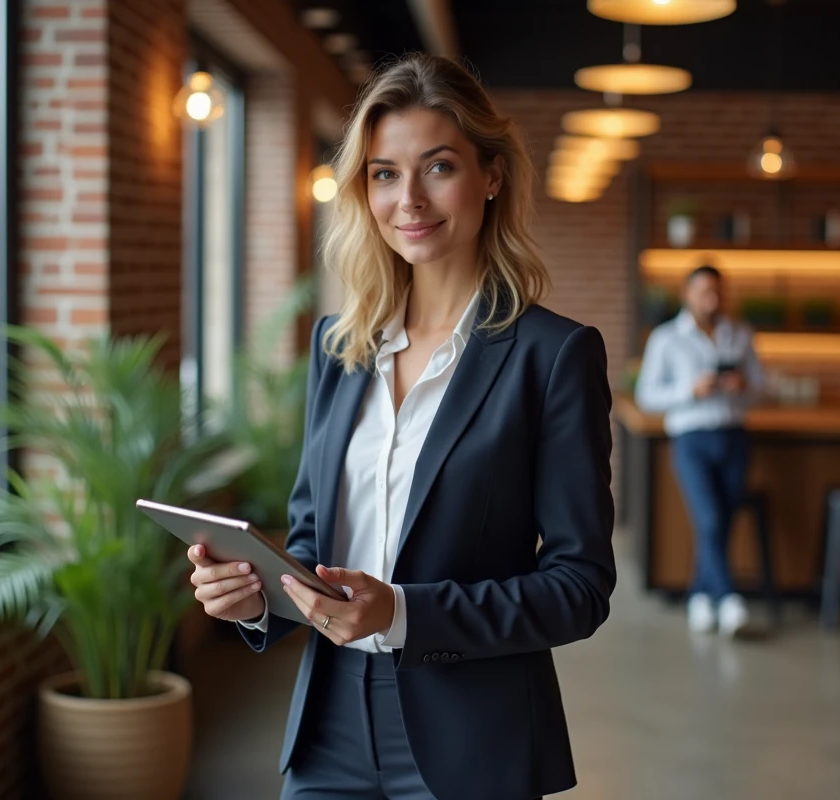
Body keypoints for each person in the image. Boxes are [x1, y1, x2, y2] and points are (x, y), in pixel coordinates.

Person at [187, 53, 616, 800]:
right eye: (384, 173)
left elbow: (580, 586)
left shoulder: (553, 356)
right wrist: (258, 598)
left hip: (473, 742)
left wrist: (405, 613)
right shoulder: (338, 346)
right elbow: (317, 545)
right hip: (328, 732)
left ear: (491, 175)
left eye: (437, 167)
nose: (408, 199)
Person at [635, 265, 763, 636]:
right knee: (709, 519)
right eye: (705, 292)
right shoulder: (666, 338)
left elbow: (762, 387)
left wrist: (743, 386)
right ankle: (728, 598)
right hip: (691, 440)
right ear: (687, 294)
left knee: (722, 522)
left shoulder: (739, 335)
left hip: (735, 437)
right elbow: (646, 396)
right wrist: (690, 391)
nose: (713, 299)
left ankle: (700, 596)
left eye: (719, 292)